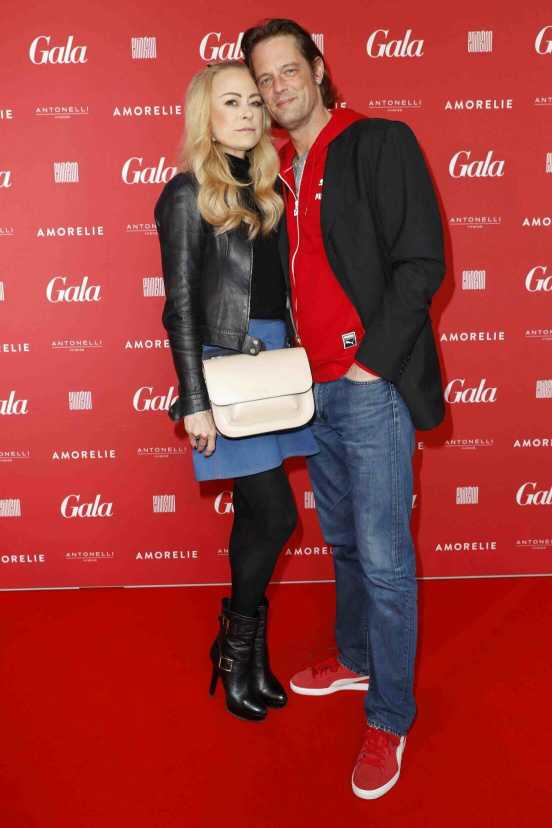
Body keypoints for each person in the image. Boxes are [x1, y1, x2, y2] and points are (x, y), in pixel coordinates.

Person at [243, 19, 445, 796]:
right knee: (347, 544)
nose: (278, 87)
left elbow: (421, 259)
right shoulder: (280, 171)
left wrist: (369, 367)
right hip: (307, 391)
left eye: (289, 70)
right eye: (264, 79)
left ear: (319, 69)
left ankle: (390, 716)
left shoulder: (377, 141)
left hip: (367, 388)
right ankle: (358, 660)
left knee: (387, 559)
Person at [154, 60, 318, 722]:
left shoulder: (269, 191)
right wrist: (194, 399)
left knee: (258, 515)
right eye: (232, 102)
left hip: (275, 363)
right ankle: (235, 651)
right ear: (206, 115)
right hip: (228, 367)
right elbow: (182, 306)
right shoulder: (188, 193)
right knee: (275, 516)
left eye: (255, 100)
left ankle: (245, 658)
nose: (250, 112)